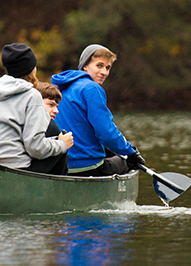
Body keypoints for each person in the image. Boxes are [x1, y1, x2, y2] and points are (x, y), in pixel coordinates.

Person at [0, 43, 74, 174]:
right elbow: (35, 147)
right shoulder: (32, 96)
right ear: (32, 69)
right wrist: (61, 144)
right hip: (16, 170)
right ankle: (53, 191)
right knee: (61, 147)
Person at [50, 44, 145, 176]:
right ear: (85, 66)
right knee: (127, 162)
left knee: (113, 153)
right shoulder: (92, 88)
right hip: (87, 167)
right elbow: (106, 132)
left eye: (107, 67)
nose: (104, 72)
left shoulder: (59, 87)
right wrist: (131, 152)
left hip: (59, 166)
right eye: (99, 66)